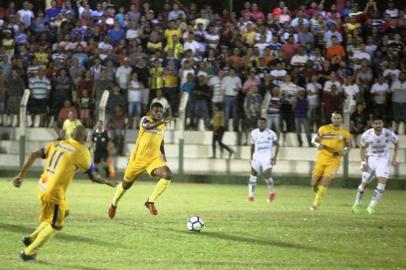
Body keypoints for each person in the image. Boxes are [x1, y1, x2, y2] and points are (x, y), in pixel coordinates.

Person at [12, 126, 116, 261]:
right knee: (56, 225)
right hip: (54, 192)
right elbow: (93, 176)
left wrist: (21, 176)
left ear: (71, 134)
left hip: (42, 186)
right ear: (85, 139)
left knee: (64, 211)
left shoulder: (57, 143)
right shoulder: (82, 151)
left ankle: (30, 238)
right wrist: (108, 181)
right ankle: (28, 252)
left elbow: (33, 155)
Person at [108, 102, 172, 218]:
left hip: (153, 159)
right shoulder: (145, 120)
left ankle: (150, 201)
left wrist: (163, 152)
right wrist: (162, 121)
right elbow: (148, 127)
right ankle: (113, 204)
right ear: (150, 112)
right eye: (156, 111)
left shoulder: (163, 125)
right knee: (126, 185)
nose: (158, 113)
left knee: (167, 174)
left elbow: (161, 139)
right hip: (137, 159)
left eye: (160, 111)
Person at [352, 116, 399, 215]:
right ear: (372, 124)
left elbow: (396, 142)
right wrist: (363, 162)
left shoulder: (388, 133)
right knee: (364, 185)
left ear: (383, 124)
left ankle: (371, 206)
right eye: (376, 123)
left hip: (383, 160)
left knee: (382, 183)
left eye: (380, 123)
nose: (378, 125)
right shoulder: (366, 135)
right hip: (370, 160)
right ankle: (357, 202)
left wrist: (394, 158)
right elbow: (362, 148)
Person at [310, 112, 351, 211]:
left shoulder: (345, 133)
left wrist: (344, 152)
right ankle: (320, 193)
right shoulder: (324, 129)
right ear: (331, 119)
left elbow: (349, 146)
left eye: (338, 118)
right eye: (334, 118)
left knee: (324, 182)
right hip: (322, 158)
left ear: (341, 120)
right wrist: (317, 145)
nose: (336, 120)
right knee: (313, 184)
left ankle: (316, 204)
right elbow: (314, 140)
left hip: (334, 160)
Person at [247, 117, 280, 203]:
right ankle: (250, 196)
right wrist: (251, 158)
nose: (261, 125)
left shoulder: (271, 133)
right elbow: (252, 146)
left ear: (266, 124)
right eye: (259, 123)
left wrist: (275, 157)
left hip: (267, 157)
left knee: (267, 175)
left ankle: (272, 192)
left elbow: (277, 145)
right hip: (256, 157)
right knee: (253, 175)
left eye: (262, 123)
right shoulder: (254, 133)